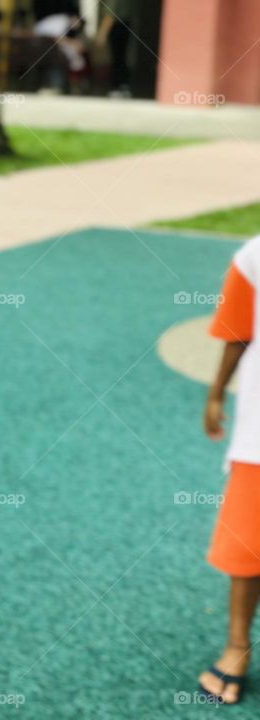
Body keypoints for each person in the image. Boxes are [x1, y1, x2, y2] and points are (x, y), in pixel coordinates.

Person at [198, 234, 260, 704]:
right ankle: (237, 646)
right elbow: (238, 329)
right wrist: (217, 391)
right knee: (248, 546)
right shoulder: (253, 257)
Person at [95, 0, 134, 97]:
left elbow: (110, 14)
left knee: (117, 56)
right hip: (124, 24)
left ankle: (118, 86)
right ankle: (123, 85)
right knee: (120, 56)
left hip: (117, 26)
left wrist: (102, 34)